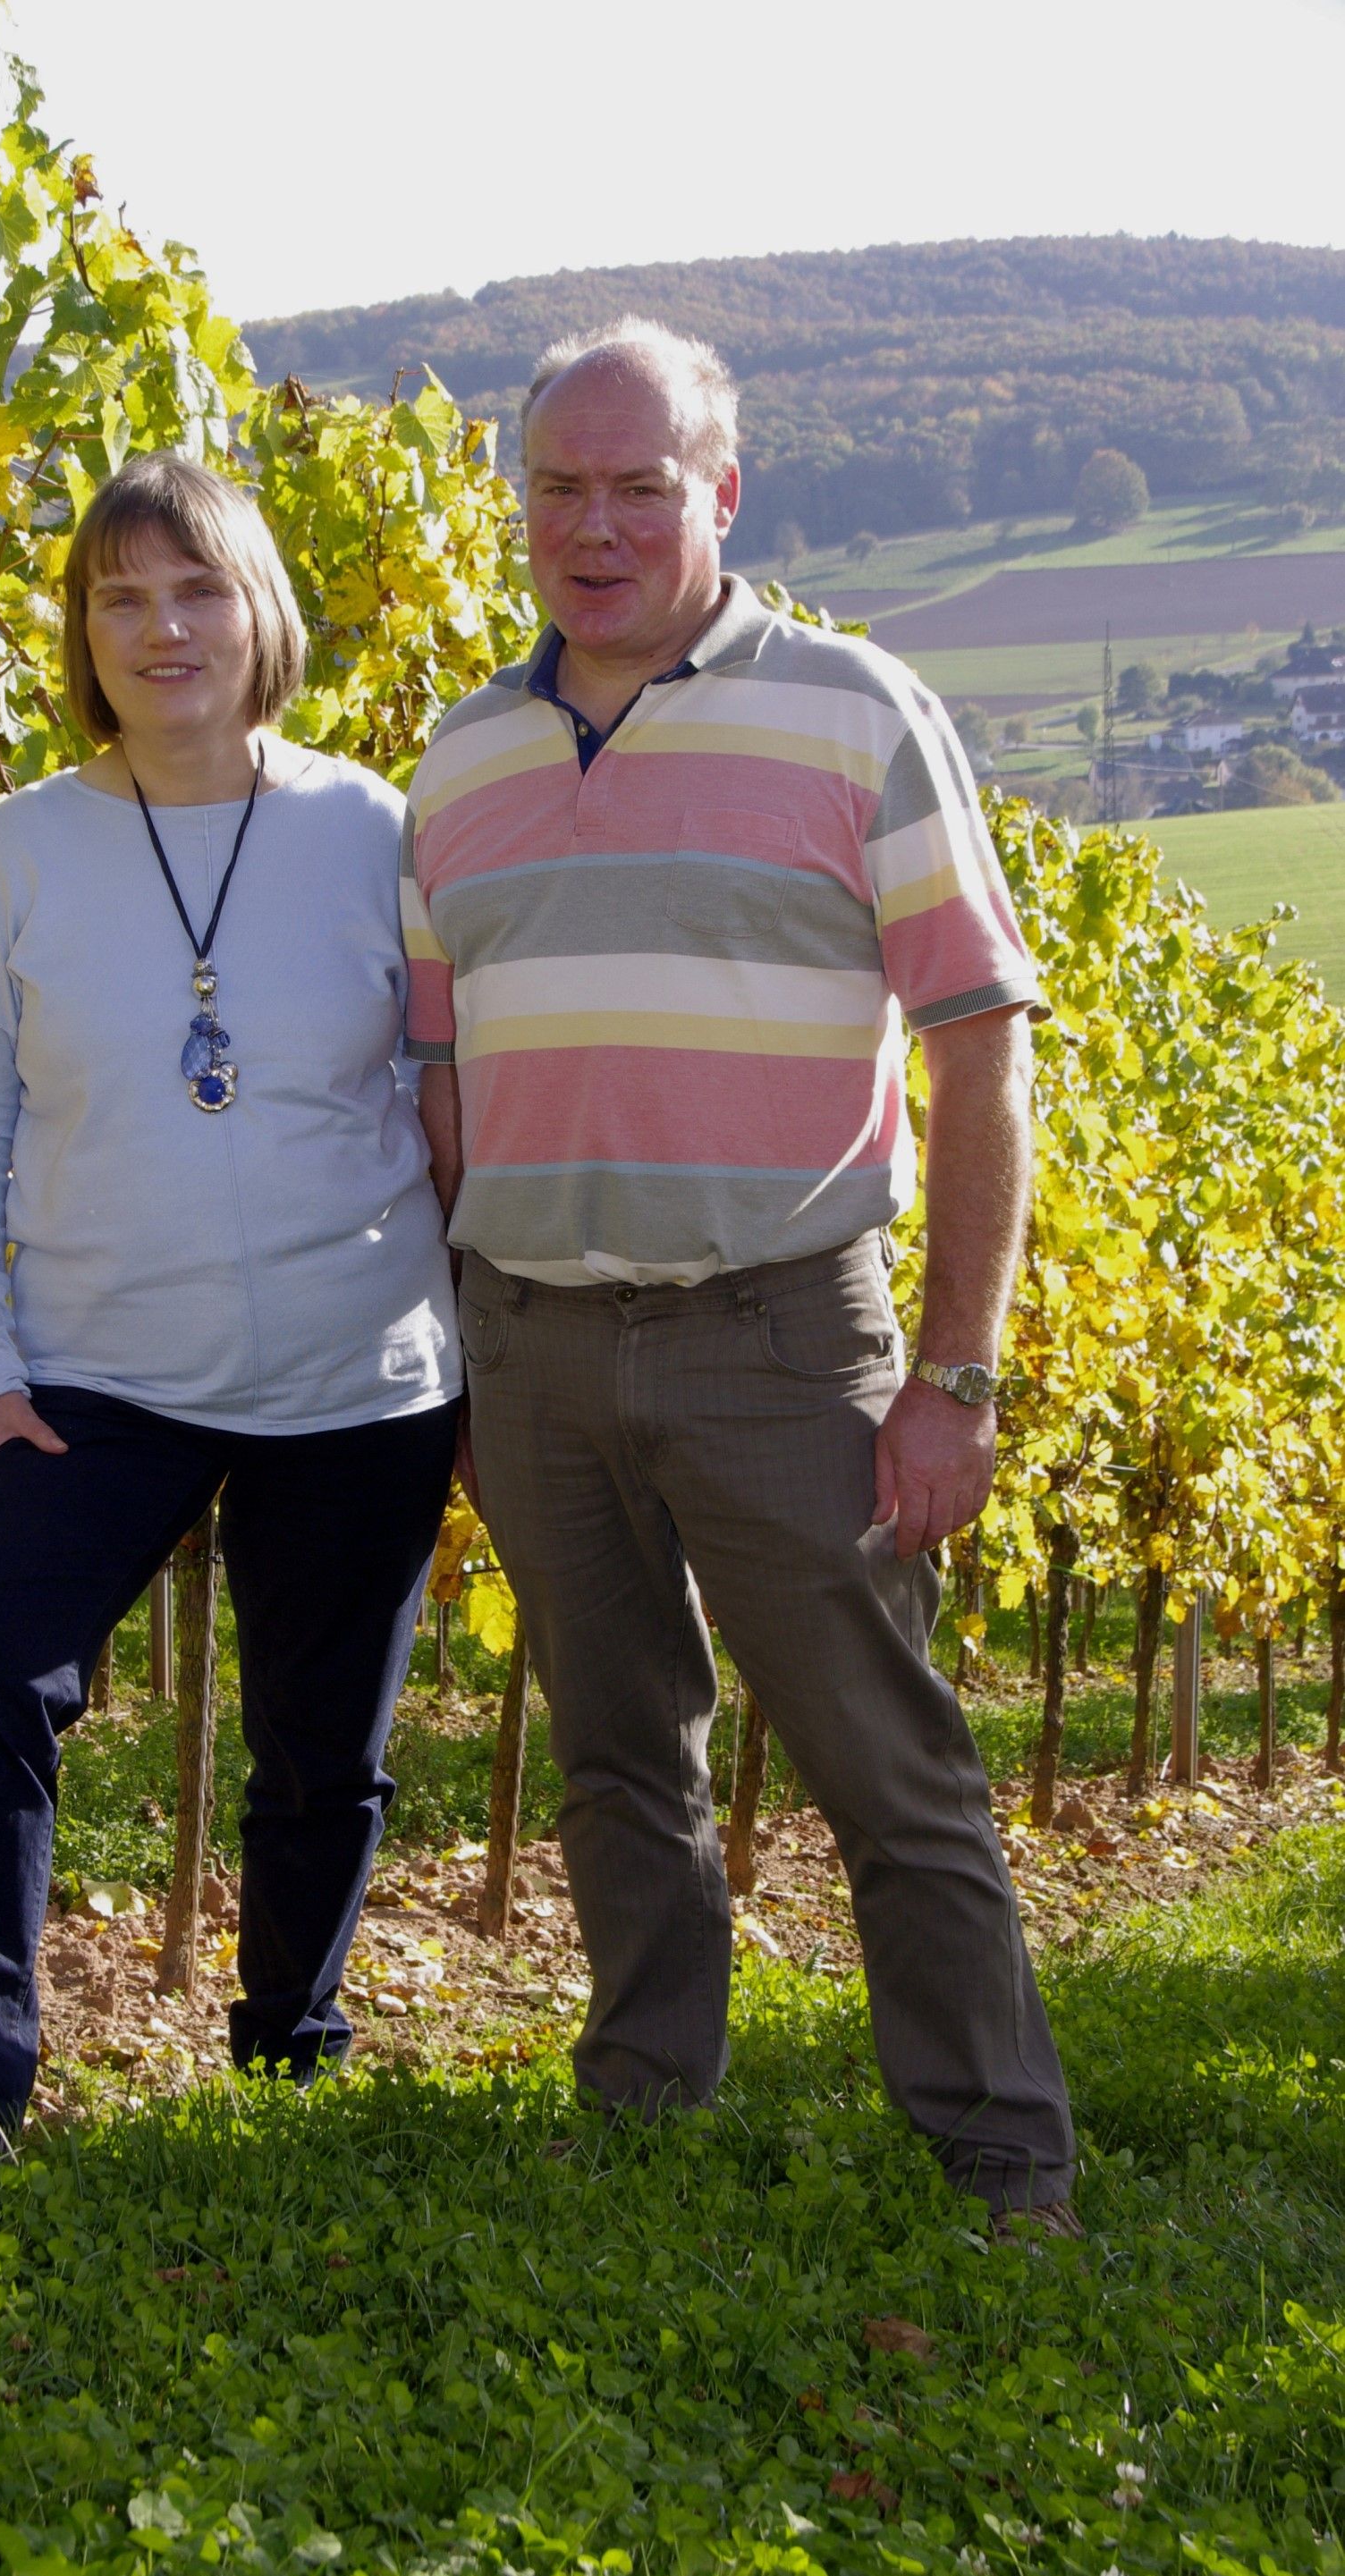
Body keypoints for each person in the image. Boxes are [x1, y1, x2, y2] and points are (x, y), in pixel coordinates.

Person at [406, 319, 1079, 2235]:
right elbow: (440, 1092)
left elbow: (977, 1052)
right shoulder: (458, 758)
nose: (592, 526)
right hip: (531, 1345)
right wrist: (467, 1354)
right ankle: (640, 2095)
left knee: (889, 1764)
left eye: (637, 486)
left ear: (721, 489)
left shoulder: (856, 713)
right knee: (618, 1754)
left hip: (780, 1333)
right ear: (520, 502)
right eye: (557, 487)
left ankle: (1000, 2156)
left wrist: (954, 1377)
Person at [0, 453, 460, 2159]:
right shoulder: (21, 851)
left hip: (358, 1375)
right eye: (118, 598)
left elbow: (447, 1094)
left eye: (194, 588)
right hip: (93, 1380)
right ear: (83, 633)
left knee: (320, 1750)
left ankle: (291, 2050)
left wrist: (482, 1353)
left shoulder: (374, 831)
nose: (160, 627)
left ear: (257, 606)